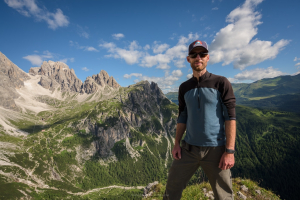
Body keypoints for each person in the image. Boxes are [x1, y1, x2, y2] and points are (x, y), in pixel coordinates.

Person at [163, 40, 236, 200]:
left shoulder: (221, 82)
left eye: (202, 54)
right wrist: (176, 144)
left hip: (216, 149)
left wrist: (229, 151)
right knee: (171, 189)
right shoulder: (184, 87)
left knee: (224, 196)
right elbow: (182, 116)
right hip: (188, 149)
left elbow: (230, 117)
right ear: (188, 59)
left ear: (208, 57)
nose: (198, 57)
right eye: (194, 54)